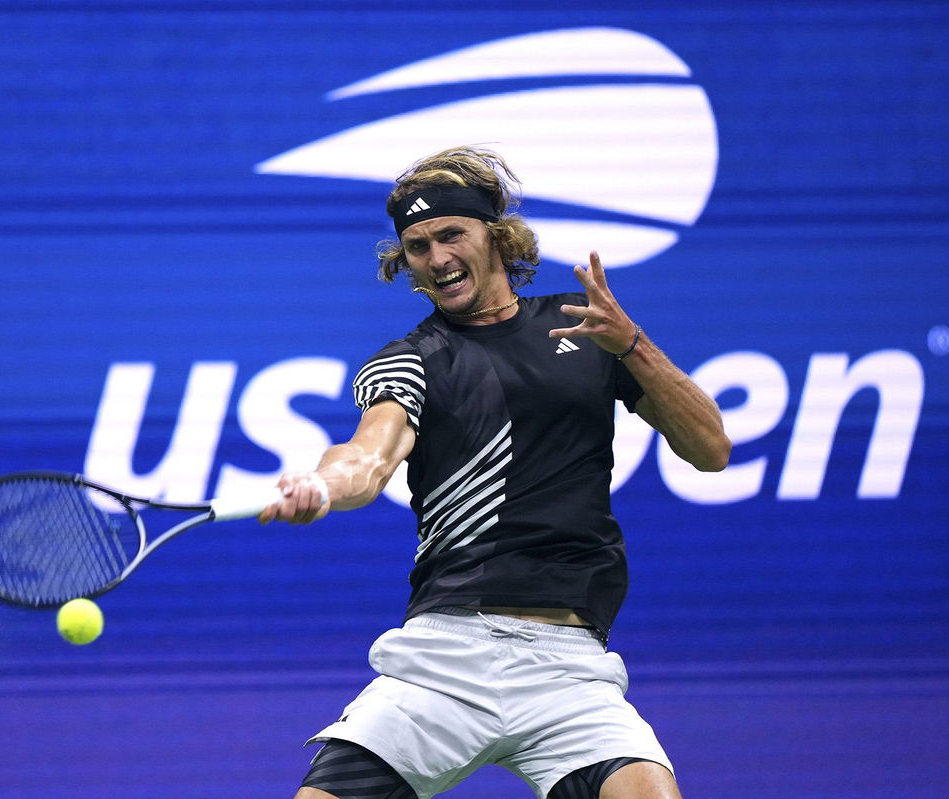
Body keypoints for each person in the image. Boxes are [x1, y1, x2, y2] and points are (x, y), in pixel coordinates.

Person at [260, 146, 730, 799]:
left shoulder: (586, 328)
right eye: (418, 246)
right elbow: (369, 455)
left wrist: (632, 345)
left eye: (452, 234)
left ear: (498, 238)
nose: (437, 257)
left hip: (570, 666)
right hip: (447, 654)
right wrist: (323, 483)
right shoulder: (412, 359)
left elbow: (711, 448)